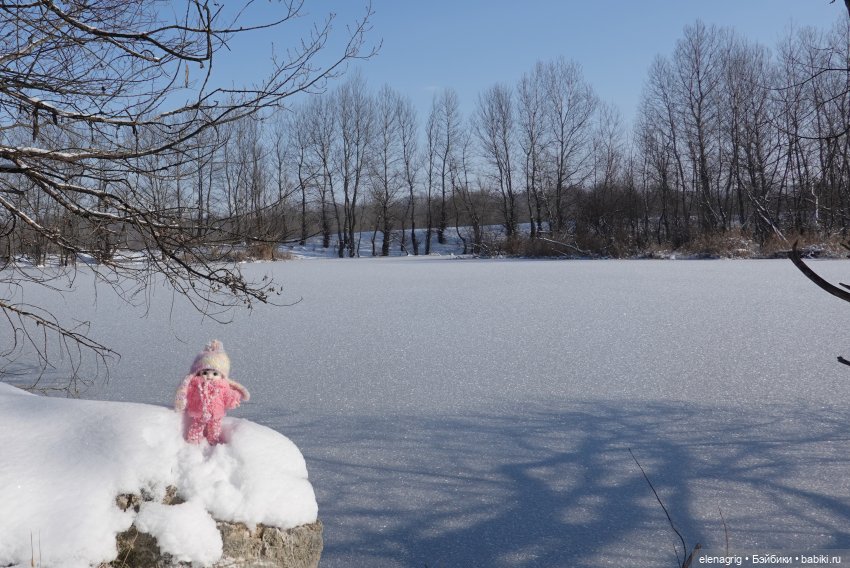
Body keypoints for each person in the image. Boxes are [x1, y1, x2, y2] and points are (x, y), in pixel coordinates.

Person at [174, 340, 250, 444]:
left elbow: (228, 395)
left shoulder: (223, 386)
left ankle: (213, 441)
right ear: (198, 372)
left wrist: (233, 400)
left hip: (216, 414)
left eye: (215, 374)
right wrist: (184, 403)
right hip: (199, 413)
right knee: (196, 426)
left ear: (222, 376)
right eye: (205, 372)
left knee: (215, 428)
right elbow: (187, 394)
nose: (209, 376)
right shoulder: (195, 384)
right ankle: (193, 441)